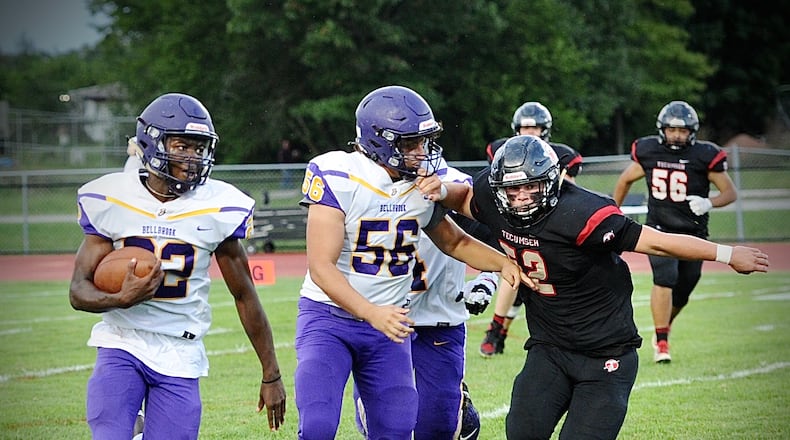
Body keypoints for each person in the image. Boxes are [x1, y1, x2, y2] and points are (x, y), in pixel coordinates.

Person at [420, 134, 768, 439]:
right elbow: (463, 200)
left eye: (531, 186)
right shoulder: (493, 198)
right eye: (513, 189)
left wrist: (726, 253)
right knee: (523, 432)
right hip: (549, 348)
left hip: (606, 354)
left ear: (552, 180)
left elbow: (657, 242)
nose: (522, 197)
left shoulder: (583, 214)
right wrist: (442, 190)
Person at [293, 85, 527, 440]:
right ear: (379, 141)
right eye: (410, 145)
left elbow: (455, 240)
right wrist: (372, 312)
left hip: (390, 325)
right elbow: (321, 267)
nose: (421, 153)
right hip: (330, 319)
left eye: (424, 142)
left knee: (397, 428)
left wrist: (503, 264)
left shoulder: (420, 188)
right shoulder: (337, 174)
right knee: (318, 426)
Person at [69, 93, 286, 439]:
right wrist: (120, 299)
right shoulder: (113, 198)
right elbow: (78, 290)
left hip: (181, 348)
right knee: (109, 433)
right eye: (182, 146)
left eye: (199, 149)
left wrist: (271, 374)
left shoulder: (218, 205)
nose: (192, 158)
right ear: (151, 144)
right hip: (122, 339)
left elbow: (245, 295)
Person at [354, 160, 496, 440]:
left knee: (439, 426)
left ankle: (457, 405)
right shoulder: (356, 180)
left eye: (420, 141)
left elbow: (490, 236)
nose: (415, 151)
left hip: (437, 318)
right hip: (379, 319)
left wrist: (487, 278)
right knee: (380, 423)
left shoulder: (451, 182)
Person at [612, 100, 738, 363]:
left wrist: (709, 202)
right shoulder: (648, 150)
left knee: (685, 288)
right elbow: (624, 180)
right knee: (665, 276)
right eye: (672, 130)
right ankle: (662, 342)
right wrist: (614, 211)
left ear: (692, 131)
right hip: (658, 227)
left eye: (682, 131)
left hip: (693, 232)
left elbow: (730, 192)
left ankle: (663, 327)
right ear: (662, 129)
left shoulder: (704, 155)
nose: (677, 135)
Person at [480, 101, 584, 357]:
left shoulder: (562, 154)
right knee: (513, 271)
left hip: (547, 226)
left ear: (545, 130)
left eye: (535, 128)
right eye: (525, 128)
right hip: (513, 221)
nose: (530, 133)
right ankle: (495, 329)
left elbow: (566, 192)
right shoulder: (501, 150)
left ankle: (501, 332)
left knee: (540, 282)